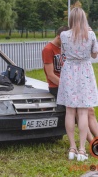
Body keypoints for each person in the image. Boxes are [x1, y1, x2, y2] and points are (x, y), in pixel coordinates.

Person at [42, 25, 98, 160]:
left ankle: (94, 140)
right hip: (58, 86)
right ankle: (92, 143)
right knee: (82, 110)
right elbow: (50, 75)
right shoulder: (48, 49)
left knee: (89, 110)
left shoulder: (68, 47)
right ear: (60, 36)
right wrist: (68, 86)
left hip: (73, 84)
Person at [57, 7, 98, 161]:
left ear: (71, 19)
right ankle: (82, 149)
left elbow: (63, 53)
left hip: (69, 72)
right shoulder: (91, 34)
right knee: (83, 112)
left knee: (70, 111)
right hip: (85, 72)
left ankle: (72, 147)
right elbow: (94, 54)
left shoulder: (63, 35)